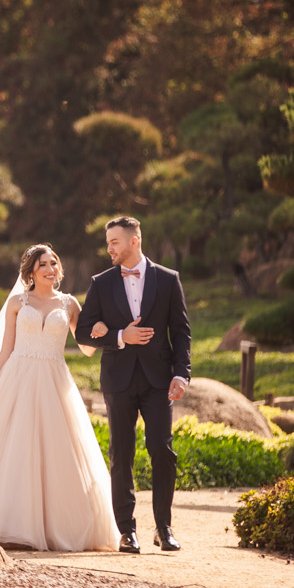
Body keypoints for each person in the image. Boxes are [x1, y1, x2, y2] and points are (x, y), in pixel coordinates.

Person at [0, 244, 119, 552]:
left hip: (54, 381)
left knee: (57, 451)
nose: (51, 269)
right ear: (31, 273)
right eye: (43, 266)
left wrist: (102, 330)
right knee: (13, 450)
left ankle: (57, 527)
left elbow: (85, 346)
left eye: (53, 263)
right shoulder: (16, 302)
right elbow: (5, 350)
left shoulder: (69, 303)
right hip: (17, 380)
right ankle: (7, 525)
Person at [73, 216, 191, 553]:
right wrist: (120, 336)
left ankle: (164, 528)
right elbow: (83, 332)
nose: (109, 248)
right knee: (121, 455)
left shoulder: (169, 280)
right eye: (108, 242)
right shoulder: (101, 282)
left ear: (134, 241)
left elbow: (181, 331)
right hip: (118, 380)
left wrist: (181, 373)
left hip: (158, 381)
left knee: (162, 452)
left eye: (114, 241)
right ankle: (127, 531)